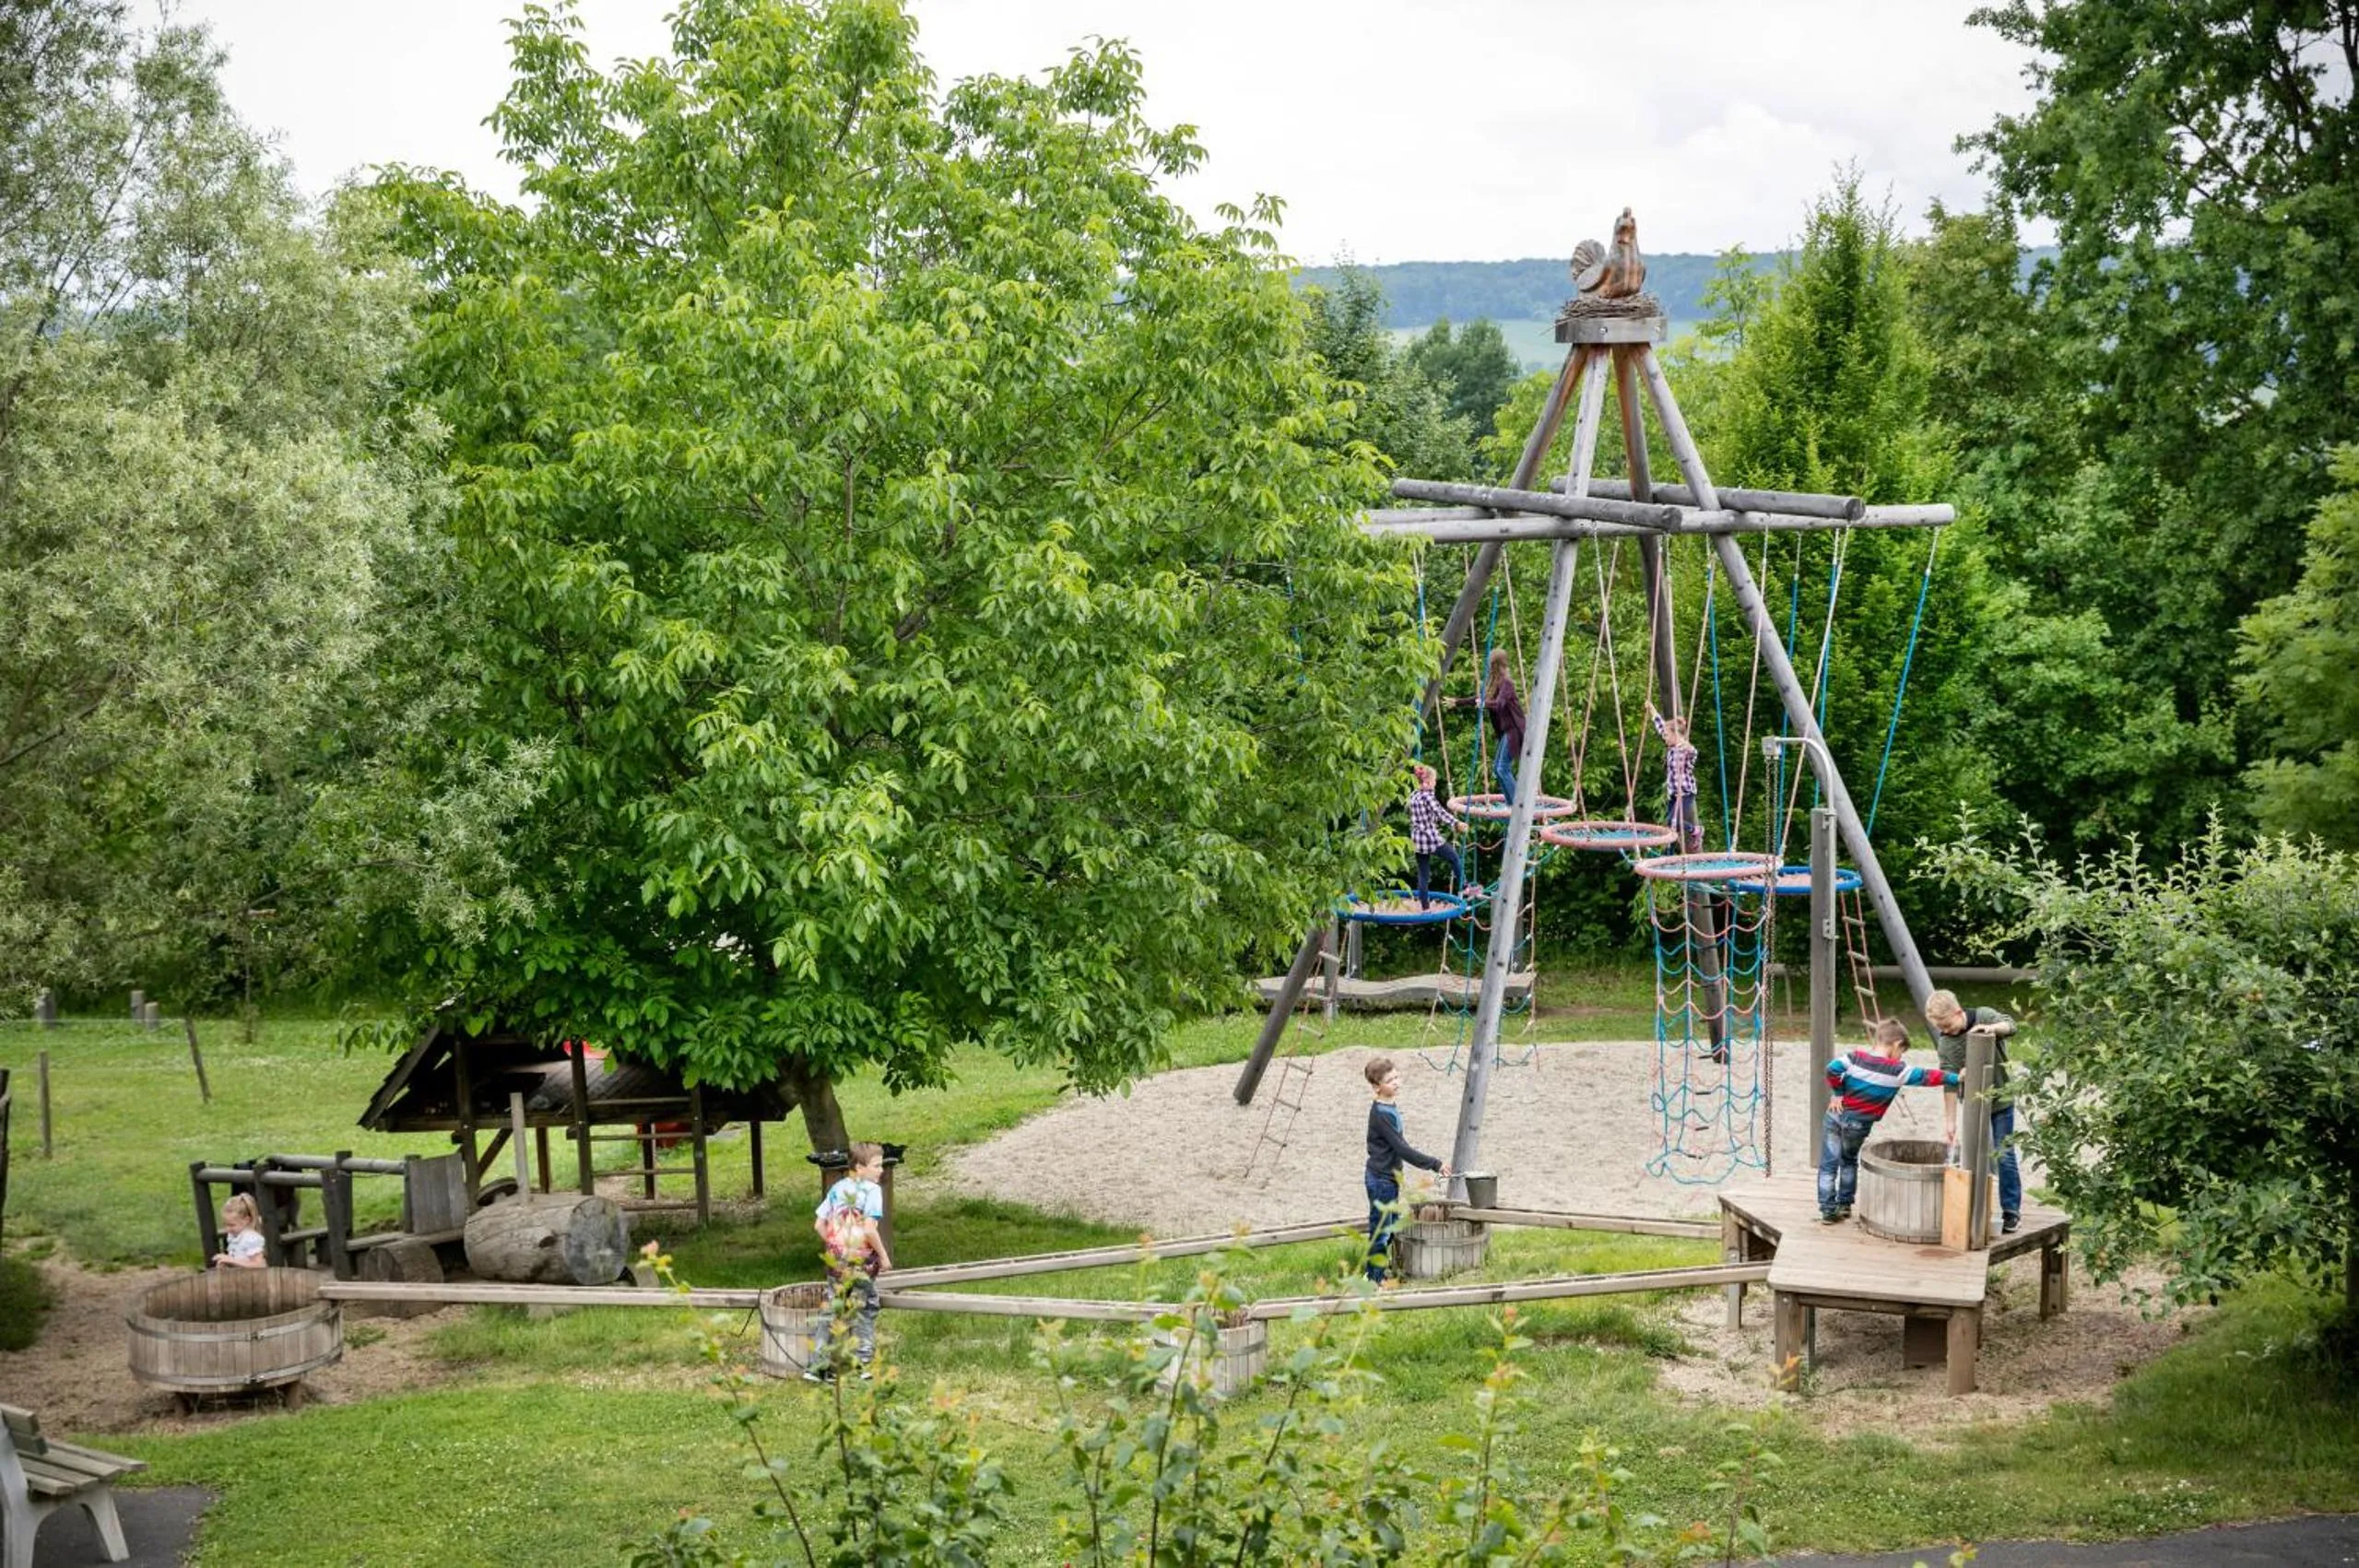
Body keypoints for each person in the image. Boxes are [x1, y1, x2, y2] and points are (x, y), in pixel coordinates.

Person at [1819, 1018, 1958, 1223]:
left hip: (1834, 1116)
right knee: (1848, 1160)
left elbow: (1832, 1069)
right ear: (1897, 1044)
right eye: (1902, 1051)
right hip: (1858, 1125)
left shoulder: (1854, 1058)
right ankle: (1845, 1204)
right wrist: (1956, 1078)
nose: (1900, 1056)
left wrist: (1838, 1092)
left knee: (1828, 1164)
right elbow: (1928, 1076)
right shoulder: (1898, 1071)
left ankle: (1828, 1211)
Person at [1925, 989, 2023, 1233]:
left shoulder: (1984, 1016)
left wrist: (1991, 1030)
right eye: (1940, 1028)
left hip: (2001, 1101)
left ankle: (2011, 1210)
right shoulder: (1946, 1043)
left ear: (1958, 1013)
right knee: (1972, 1155)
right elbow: (1949, 1081)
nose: (1944, 1031)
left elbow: (2011, 1025)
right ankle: (1972, 1208)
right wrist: (1950, 1122)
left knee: (2004, 1154)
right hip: (1972, 1105)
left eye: (1946, 1025)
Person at [808, 1141, 892, 1381]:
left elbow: (818, 1225)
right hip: (860, 1260)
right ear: (859, 1167)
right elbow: (869, 1229)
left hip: (836, 1260)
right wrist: (884, 1256)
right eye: (876, 1166)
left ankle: (817, 1366)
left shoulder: (838, 1188)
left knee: (834, 1309)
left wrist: (836, 1244)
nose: (881, 1170)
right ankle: (862, 1363)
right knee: (867, 1306)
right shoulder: (872, 1191)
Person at [1362, 1056, 1449, 1284]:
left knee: (1389, 1227)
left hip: (1388, 1178)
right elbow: (1402, 1148)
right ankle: (1373, 1280)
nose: (1397, 1082)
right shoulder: (1381, 1114)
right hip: (1380, 1180)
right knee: (1381, 1231)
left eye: (1397, 1077)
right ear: (1376, 1086)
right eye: (1390, 1080)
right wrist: (1435, 1163)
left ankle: (1378, 1274)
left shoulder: (1388, 1106)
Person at [1450, 650, 1526, 803]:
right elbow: (1479, 698)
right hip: (1506, 731)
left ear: (1497, 666)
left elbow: (1499, 704)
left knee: (1502, 768)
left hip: (1514, 730)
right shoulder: (1493, 684)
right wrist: (1458, 702)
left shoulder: (1507, 684)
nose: (1490, 668)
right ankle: (1512, 803)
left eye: (1492, 665)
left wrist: (1484, 703)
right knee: (1497, 770)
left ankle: (1517, 804)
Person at [1406, 763, 1468, 907]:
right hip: (1430, 839)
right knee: (1454, 858)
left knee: (1423, 874)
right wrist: (1456, 823)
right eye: (1434, 781)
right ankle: (1465, 887)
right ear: (1427, 782)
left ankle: (1425, 907)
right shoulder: (1428, 797)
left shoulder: (1414, 795)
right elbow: (1440, 813)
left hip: (1417, 840)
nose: (1435, 784)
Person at [1646, 701, 1702, 850]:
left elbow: (1694, 753)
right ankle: (1674, 845)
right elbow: (1660, 726)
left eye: (1667, 735)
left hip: (1685, 793)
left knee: (1673, 821)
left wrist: (1687, 745)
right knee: (1670, 823)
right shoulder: (1671, 747)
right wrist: (1652, 710)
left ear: (1676, 735)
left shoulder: (1685, 750)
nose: (1664, 738)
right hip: (1673, 793)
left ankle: (1695, 830)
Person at [212, 1193, 266, 1269]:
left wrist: (231, 1260)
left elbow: (259, 1265)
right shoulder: (234, 1236)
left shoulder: (251, 1239)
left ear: (246, 1220)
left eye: (232, 1225)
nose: (228, 1229)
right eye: (225, 1224)